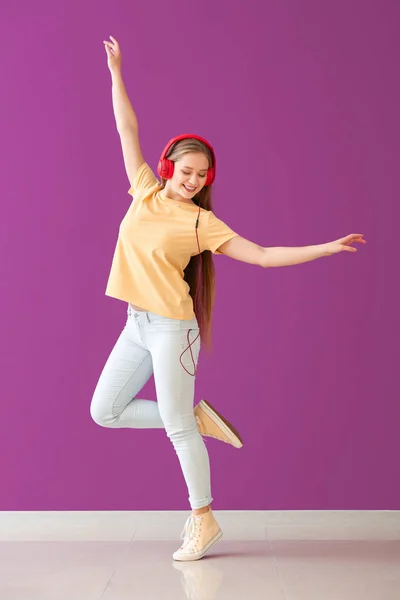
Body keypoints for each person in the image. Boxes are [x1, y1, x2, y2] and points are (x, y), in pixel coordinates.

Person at [91, 35, 366, 563]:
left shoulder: (202, 222)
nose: (192, 180)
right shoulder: (145, 189)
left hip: (173, 328)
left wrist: (326, 248)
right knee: (105, 411)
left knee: (174, 429)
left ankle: (203, 519)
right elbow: (127, 128)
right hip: (136, 323)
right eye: (185, 170)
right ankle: (196, 417)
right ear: (168, 166)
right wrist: (116, 72)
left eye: (202, 175)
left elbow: (262, 255)